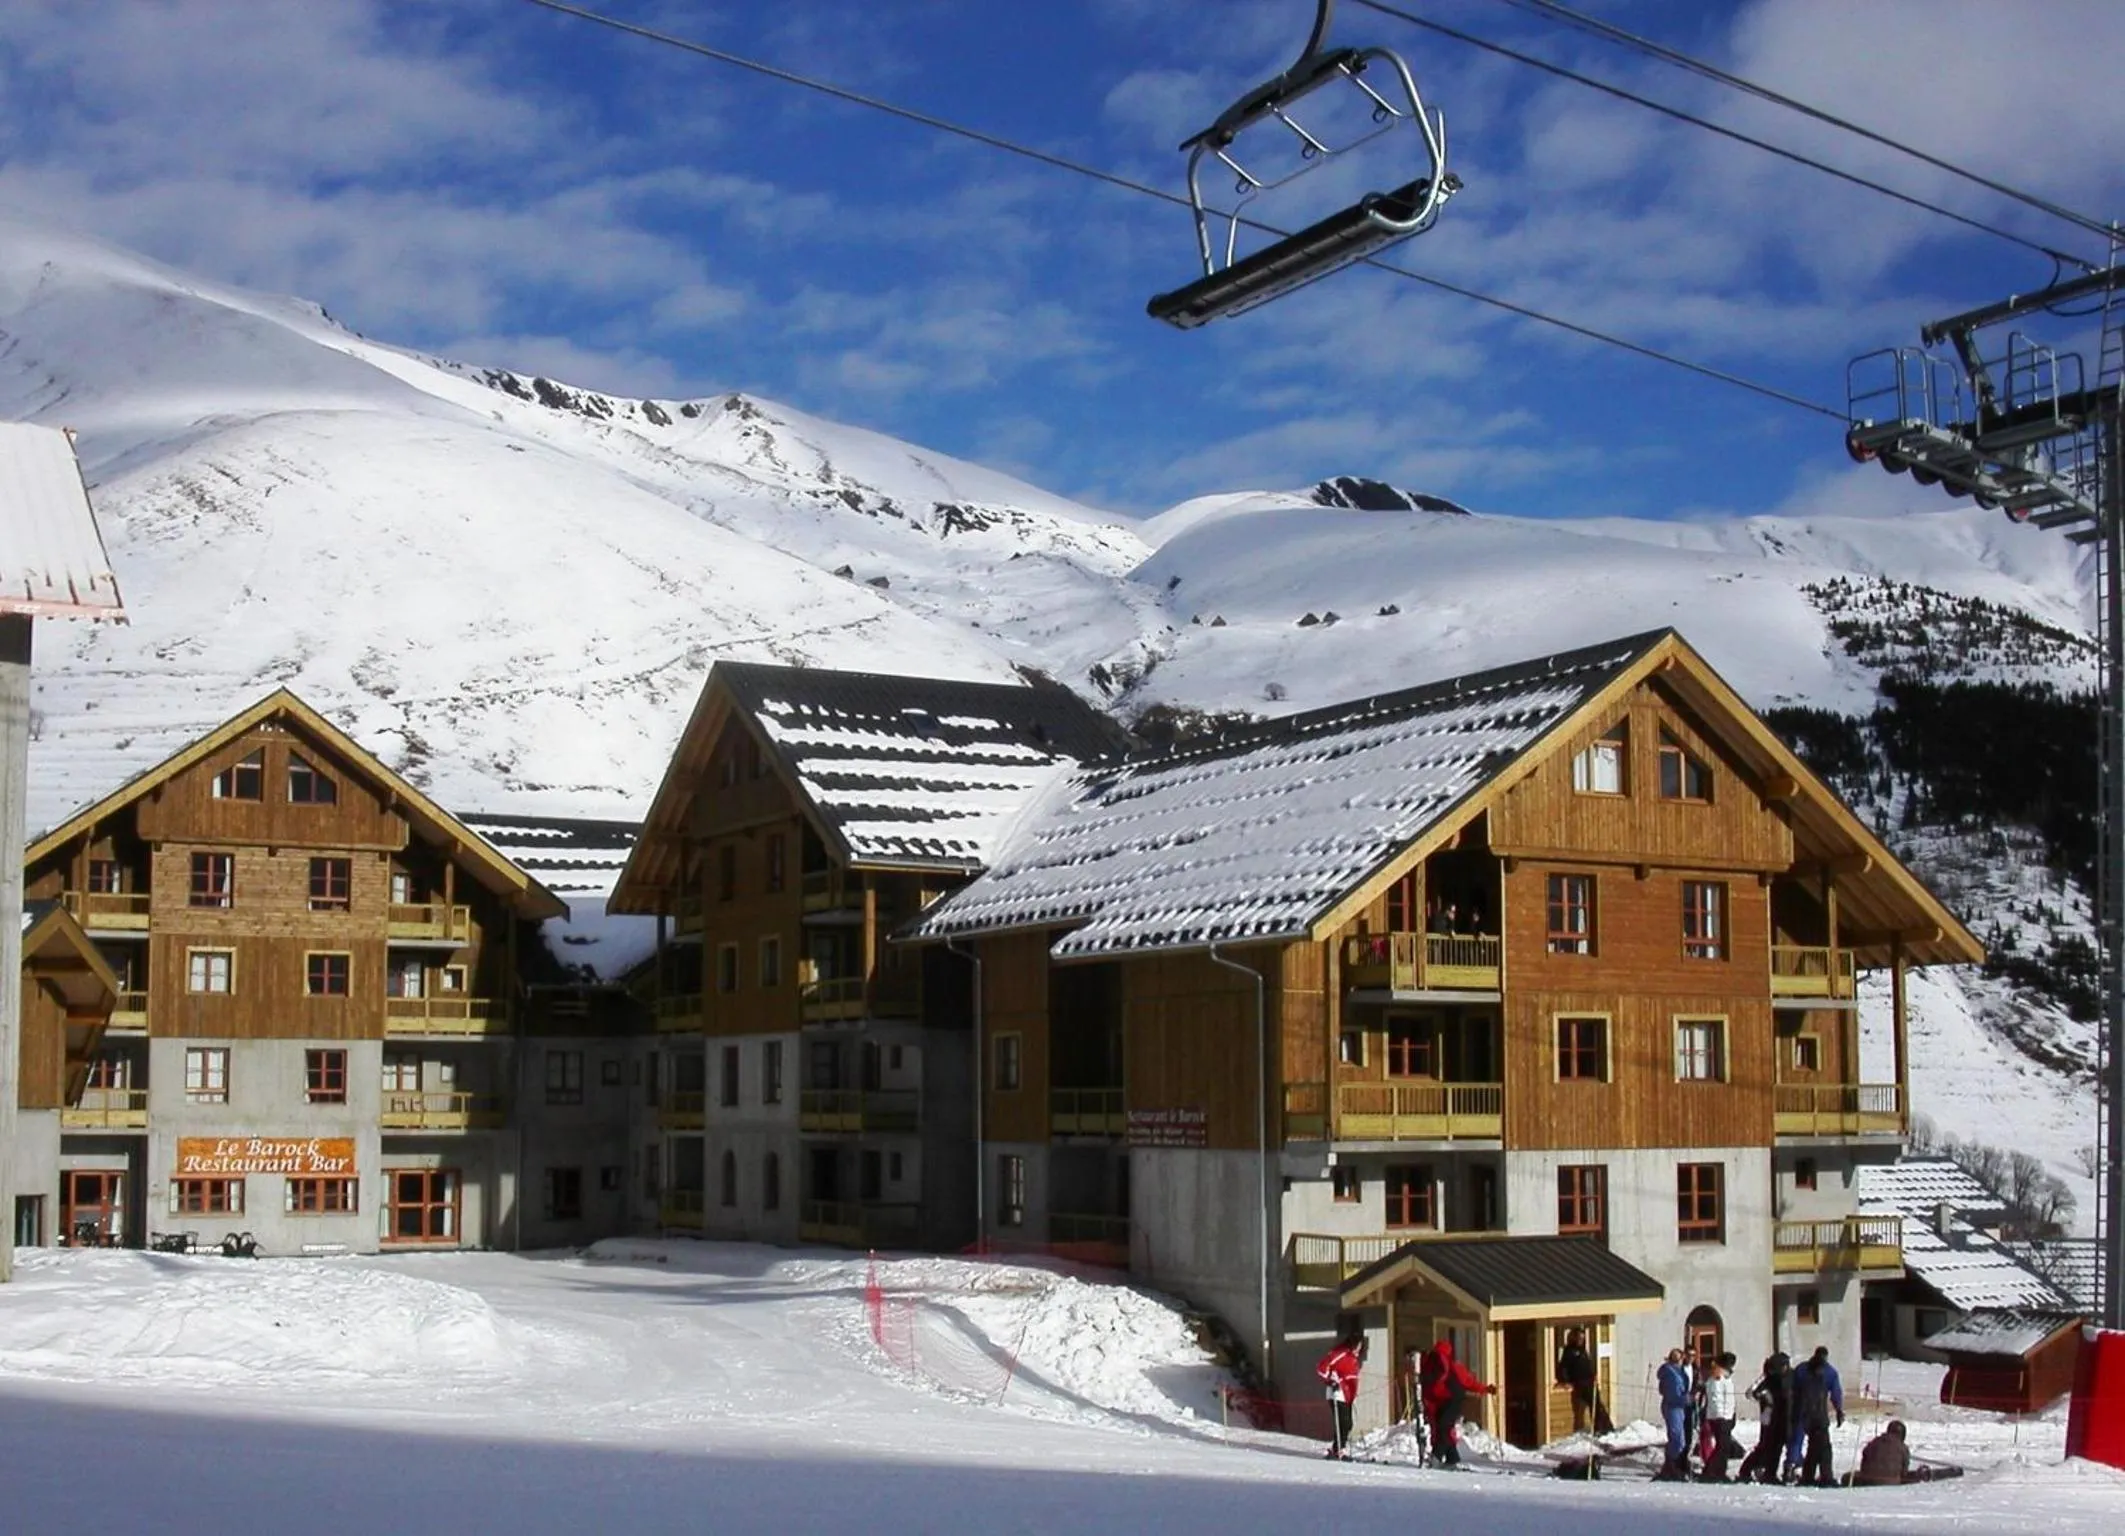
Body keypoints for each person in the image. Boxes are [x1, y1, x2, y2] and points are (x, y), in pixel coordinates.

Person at [1422, 1337, 1496, 1468]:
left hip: (1435, 1401)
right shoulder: (1454, 1366)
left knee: (1442, 1428)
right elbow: (1469, 1382)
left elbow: (1426, 1385)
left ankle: (1443, 1458)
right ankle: (1447, 1458)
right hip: (1453, 1399)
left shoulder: (1428, 1363)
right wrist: (1485, 1389)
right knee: (1445, 1428)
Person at [1791, 1345, 1846, 1488]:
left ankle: (1803, 1473)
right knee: (1824, 1448)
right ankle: (1825, 1477)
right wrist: (1839, 1410)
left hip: (1802, 1413)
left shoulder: (1802, 1369)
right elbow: (1836, 1393)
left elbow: (1792, 1389)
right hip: (1818, 1417)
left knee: (1809, 1446)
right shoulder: (1829, 1372)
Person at [1737, 1352, 1792, 1484]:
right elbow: (1751, 1392)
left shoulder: (1790, 1377)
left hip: (1785, 1417)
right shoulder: (1768, 1378)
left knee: (1783, 1446)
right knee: (1767, 1446)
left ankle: (1776, 1472)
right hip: (1769, 1417)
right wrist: (1765, 1398)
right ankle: (1751, 1470)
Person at [1317, 1332, 1366, 1460]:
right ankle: (1340, 1450)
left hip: (1347, 1395)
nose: (1359, 1348)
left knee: (1348, 1424)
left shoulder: (1353, 1358)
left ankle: (1336, 1448)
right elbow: (1322, 1368)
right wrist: (1331, 1380)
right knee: (1343, 1423)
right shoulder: (1340, 1354)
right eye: (1358, 1345)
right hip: (1337, 1393)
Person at [1699, 1354, 1742, 1481]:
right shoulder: (1716, 1379)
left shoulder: (1725, 1378)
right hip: (1719, 1417)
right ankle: (1710, 1471)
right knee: (1722, 1447)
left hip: (1726, 1415)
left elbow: (1729, 1398)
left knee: (1724, 1447)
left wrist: (1732, 1414)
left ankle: (1719, 1471)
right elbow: (1716, 1399)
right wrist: (1722, 1416)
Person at [1655, 1348, 1694, 1480]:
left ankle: (1676, 1466)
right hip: (1673, 1406)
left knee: (1681, 1439)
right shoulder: (1670, 1373)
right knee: (1677, 1439)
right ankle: (1671, 1466)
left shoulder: (1679, 1371)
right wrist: (1686, 1399)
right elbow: (1671, 1393)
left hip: (1680, 1406)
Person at [1555, 1327, 1598, 1434]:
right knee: (1578, 1411)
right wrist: (1565, 1382)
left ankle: (1601, 1429)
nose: (1581, 1340)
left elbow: (1588, 1366)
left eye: (1582, 1338)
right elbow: (1563, 1368)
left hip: (1589, 1383)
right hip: (1578, 1385)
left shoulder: (1583, 1350)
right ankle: (1579, 1433)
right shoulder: (1569, 1351)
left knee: (1596, 1407)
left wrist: (1594, 1376)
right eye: (1579, 1338)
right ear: (1573, 1338)